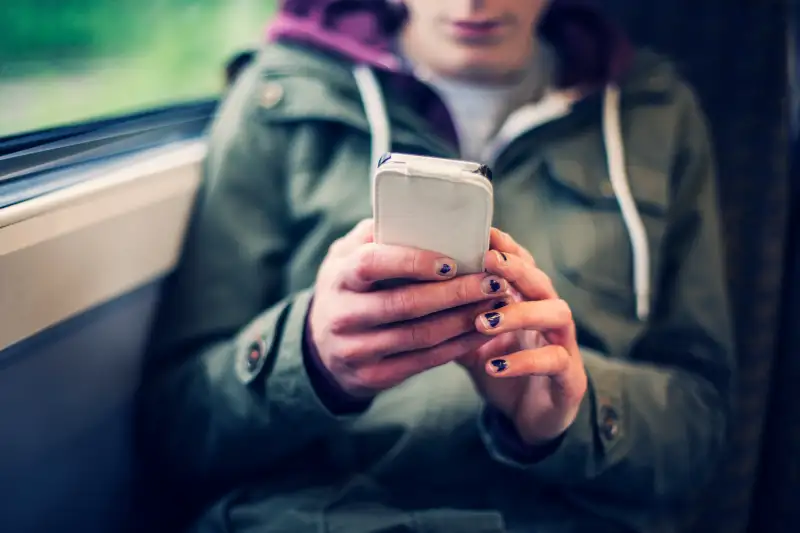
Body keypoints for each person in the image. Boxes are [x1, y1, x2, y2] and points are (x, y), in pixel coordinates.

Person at [138, 1, 735, 532]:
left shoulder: (655, 112)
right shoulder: (280, 98)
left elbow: (703, 435)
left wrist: (568, 414)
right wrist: (311, 359)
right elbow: (179, 431)